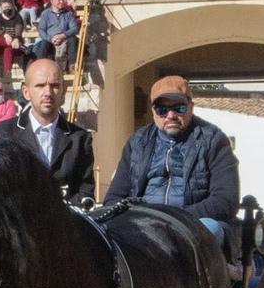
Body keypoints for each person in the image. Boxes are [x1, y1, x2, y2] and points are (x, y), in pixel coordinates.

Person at [101, 75, 240, 241]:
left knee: (210, 230)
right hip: (142, 222)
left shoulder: (213, 140)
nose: (170, 115)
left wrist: (175, 217)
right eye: (162, 109)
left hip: (192, 223)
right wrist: (139, 216)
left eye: (179, 108)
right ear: (153, 111)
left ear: (191, 107)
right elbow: (113, 198)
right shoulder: (137, 142)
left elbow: (225, 200)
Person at [0, 58, 95, 202]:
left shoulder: (80, 138)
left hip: (63, 221)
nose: (48, 92)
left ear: (64, 91)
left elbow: (85, 192)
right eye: (40, 85)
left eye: (55, 85)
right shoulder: (3, 133)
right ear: (26, 92)